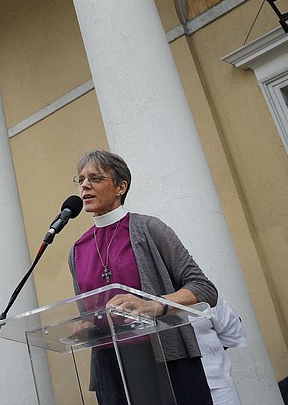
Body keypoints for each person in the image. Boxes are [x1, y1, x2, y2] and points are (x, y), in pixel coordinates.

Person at [68, 149, 217, 405]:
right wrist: (87, 326)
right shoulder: (78, 250)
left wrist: (155, 304)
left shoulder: (149, 229)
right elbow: (90, 314)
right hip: (110, 367)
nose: (84, 185)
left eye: (95, 178)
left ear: (120, 187)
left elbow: (204, 288)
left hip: (162, 359)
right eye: (81, 179)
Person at [191, 296, 247, 405]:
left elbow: (232, 332)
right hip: (168, 392)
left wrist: (210, 358)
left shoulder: (201, 291)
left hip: (218, 388)